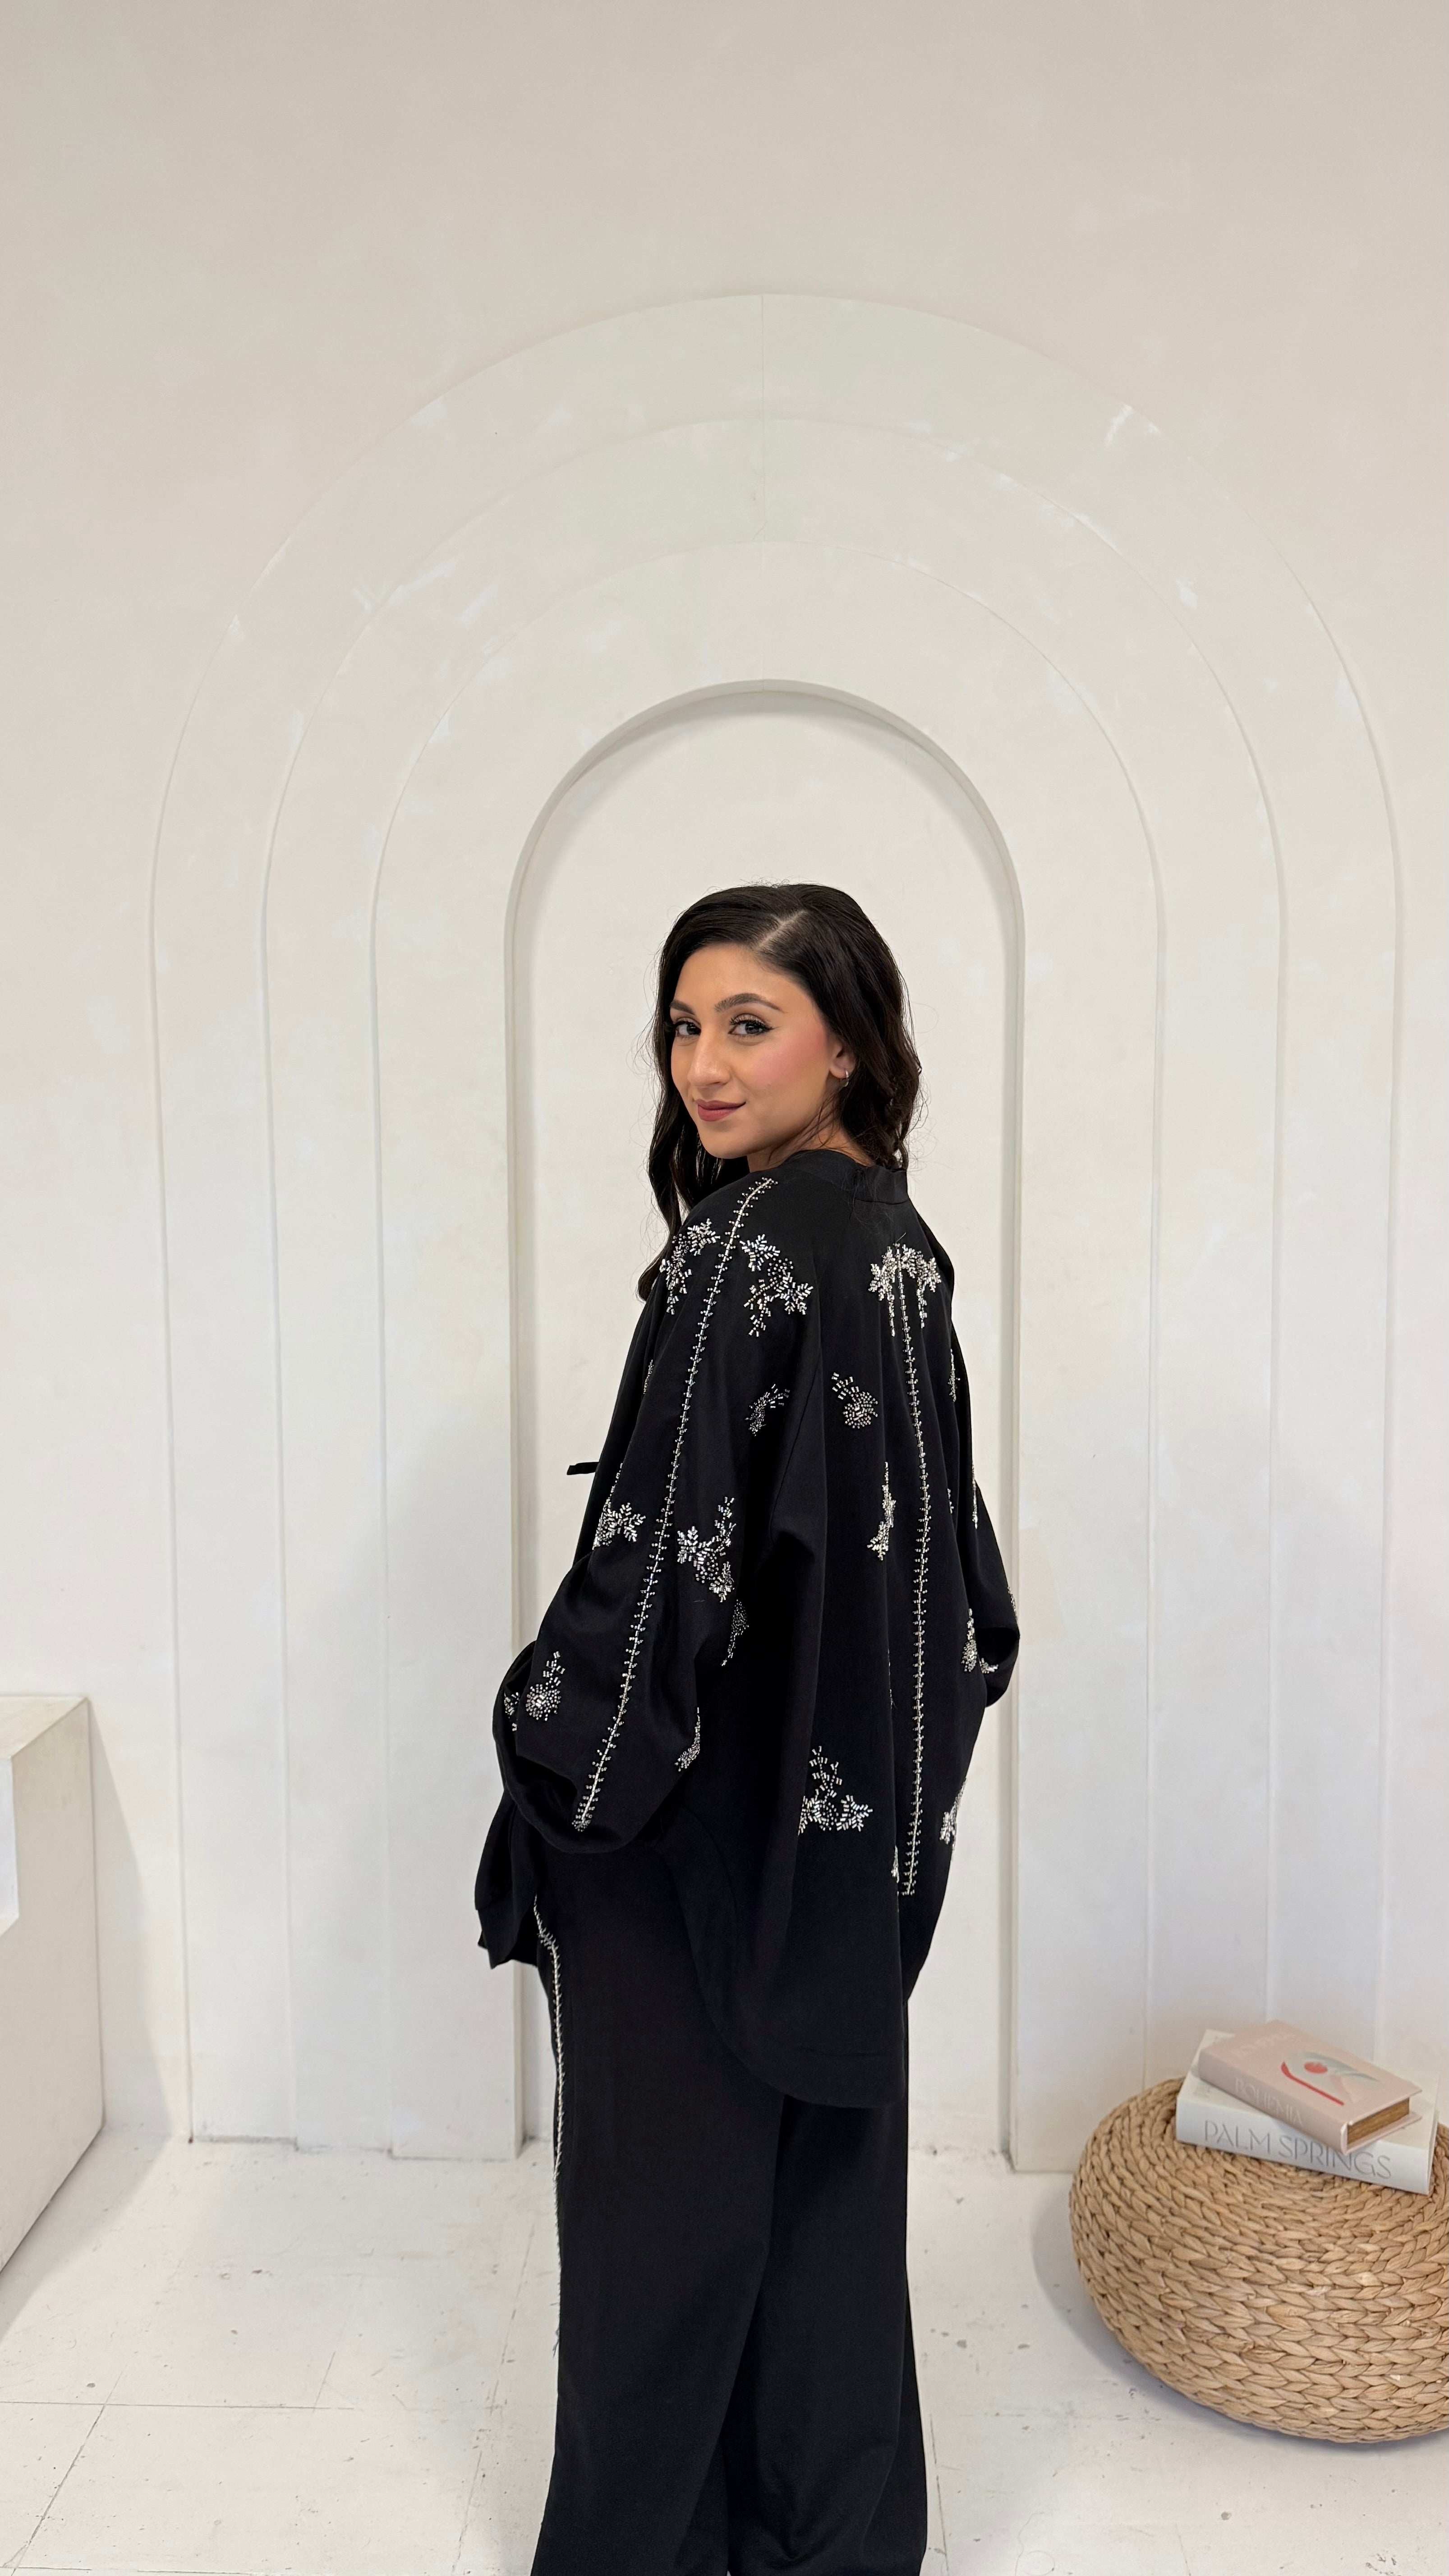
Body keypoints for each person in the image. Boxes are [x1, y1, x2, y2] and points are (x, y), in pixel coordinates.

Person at [475, 882, 1019, 2576]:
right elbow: (962, 1579)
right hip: (844, 1833)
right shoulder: (900, 1245)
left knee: (656, 2230)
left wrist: (553, 1763)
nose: (702, 1065)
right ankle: (829, 2543)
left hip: (690, 1828)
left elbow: (662, 1564)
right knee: (818, 2202)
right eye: (683, 1026)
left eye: (749, 1024)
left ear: (845, 1043)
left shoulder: (743, 1252)